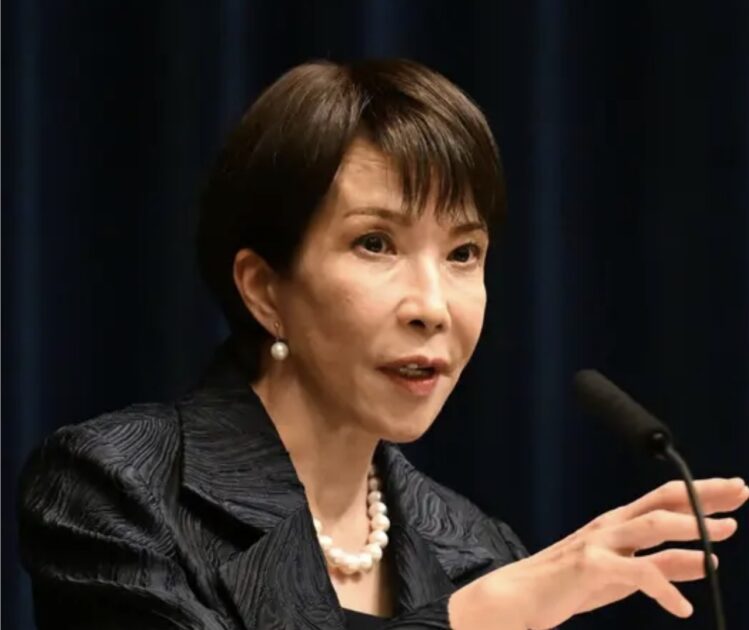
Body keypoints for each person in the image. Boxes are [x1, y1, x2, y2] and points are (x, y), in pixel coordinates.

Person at [18, 58, 748, 630]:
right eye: (375, 243)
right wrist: (472, 620)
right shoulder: (118, 488)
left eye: (463, 253)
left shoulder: (478, 549)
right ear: (264, 290)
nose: (432, 307)